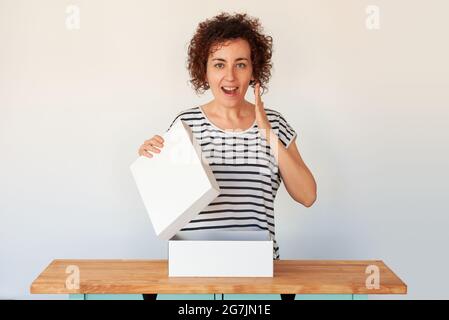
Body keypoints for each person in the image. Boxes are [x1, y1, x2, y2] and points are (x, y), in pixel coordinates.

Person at [139, 12, 317, 301]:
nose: (230, 77)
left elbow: (308, 195)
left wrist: (268, 133)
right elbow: (165, 201)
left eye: (241, 65)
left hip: (260, 278)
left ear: (254, 71)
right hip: (192, 274)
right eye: (219, 64)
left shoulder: (276, 124)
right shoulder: (185, 124)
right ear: (205, 71)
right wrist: (150, 158)